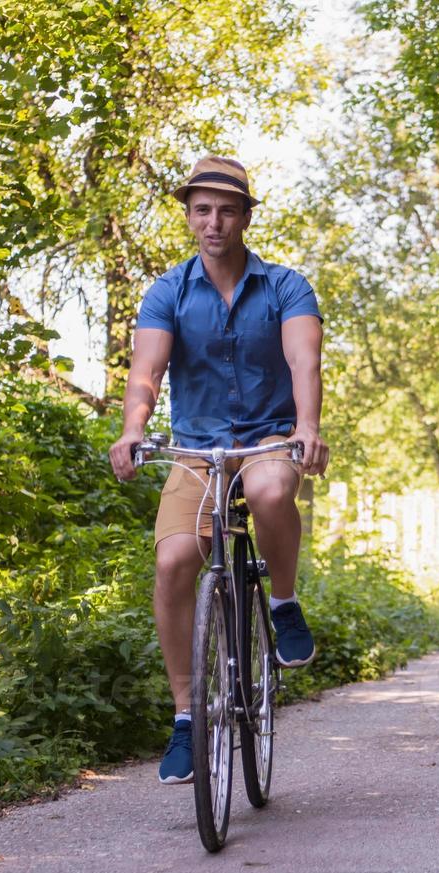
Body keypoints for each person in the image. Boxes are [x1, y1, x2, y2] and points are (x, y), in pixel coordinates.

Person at [107, 155, 329, 784]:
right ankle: (185, 718)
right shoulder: (167, 292)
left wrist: (307, 428)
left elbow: (302, 360)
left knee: (265, 489)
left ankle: (282, 602)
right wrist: (132, 430)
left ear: (246, 217)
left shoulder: (286, 286)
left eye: (227, 209)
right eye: (202, 209)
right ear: (188, 216)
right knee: (175, 559)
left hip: (268, 440)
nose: (214, 221)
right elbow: (146, 373)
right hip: (197, 448)